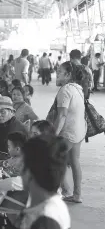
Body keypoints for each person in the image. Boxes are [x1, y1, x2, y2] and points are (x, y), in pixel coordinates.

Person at [48, 61, 86, 203]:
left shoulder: (65, 90)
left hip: (68, 132)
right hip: (79, 130)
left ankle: (59, 193)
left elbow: (62, 115)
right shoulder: (78, 88)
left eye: (59, 73)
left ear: (68, 75)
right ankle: (76, 195)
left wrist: (54, 135)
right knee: (74, 161)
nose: (56, 75)